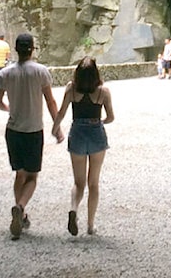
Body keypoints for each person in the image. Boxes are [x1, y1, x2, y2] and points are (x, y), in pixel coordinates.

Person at [0, 33, 64, 240]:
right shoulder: (41, 72)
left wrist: (10, 109)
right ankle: (20, 207)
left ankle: (20, 214)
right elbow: (51, 102)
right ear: (33, 49)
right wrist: (57, 126)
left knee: (20, 173)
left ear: (15, 49)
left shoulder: (5, 74)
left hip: (13, 130)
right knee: (32, 177)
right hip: (34, 130)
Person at [51, 57, 114, 236]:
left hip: (77, 132)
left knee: (78, 183)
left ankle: (73, 209)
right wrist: (100, 121)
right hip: (96, 134)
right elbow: (111, 117)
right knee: (93, 183)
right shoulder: (103, 92)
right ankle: (90, 225)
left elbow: (62, 112)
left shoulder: (71, 88)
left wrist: (55, 129)